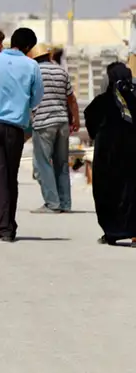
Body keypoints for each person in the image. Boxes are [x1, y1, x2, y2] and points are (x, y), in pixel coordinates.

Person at [0, 28, 43, 242]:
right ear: (28, 47)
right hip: (15, 127)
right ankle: (9, 226)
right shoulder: (32, 65)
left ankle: (1, 226)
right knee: (9, 177)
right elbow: (37, 97)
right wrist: (22, 105)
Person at [84, 62, 136, 246]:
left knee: (106, 190)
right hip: (132, 154)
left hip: (107, 155)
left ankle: (112, 232)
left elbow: (89, 117)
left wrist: (97, 134)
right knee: (131, 192)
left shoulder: (102, 101)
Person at [28, 43, 80, 214]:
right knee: (62, 164)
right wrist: (76, 120)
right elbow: (71, 99)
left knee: (42, 164)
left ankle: (52, 203)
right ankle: (65, 203)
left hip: (44, 122)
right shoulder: (61, 71)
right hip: (62, 122)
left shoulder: (34, 72)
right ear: (49, 56)